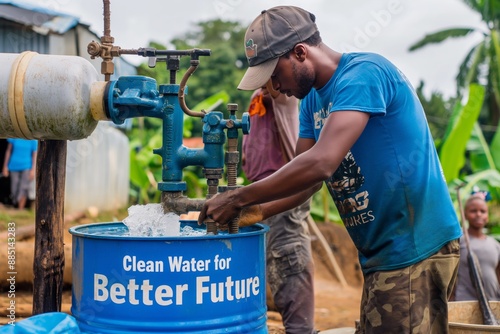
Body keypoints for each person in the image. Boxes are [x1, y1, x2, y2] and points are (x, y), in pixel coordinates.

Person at [198, 5, 462, 333]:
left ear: (299, 53)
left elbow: (321, 163)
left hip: (415, 247)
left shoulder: (364, 74)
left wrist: (238, 198)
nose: (275, 88)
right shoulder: (311, 101)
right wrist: (259, 211)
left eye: (275, 75)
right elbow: (305, 180)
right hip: (381, 255)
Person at [242, 81, 315, 333]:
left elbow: (272, 78)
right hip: (260, 189)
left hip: (283, 188)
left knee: (287, 252)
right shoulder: (256, 98)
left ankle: (300, 329)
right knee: (269, 256)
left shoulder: (283, 93)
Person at [454, 191, 500, 301]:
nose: (478, 214)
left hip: (493, 302)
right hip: (465, 302)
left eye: (483, 211)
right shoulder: (459, 240)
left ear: (487, 216)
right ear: (465, 214)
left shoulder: (495, 245)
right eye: (473, 211)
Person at [2, 138, 38, 210]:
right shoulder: (14, 137)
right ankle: (15, 206)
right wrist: (5, 166)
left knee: (23, 188)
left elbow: (34, 154)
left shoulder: (33, 139)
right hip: (13, 165)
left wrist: (33, 170)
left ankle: (20, 209)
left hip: (27, 166)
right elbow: (8, 151)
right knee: (14, 189)